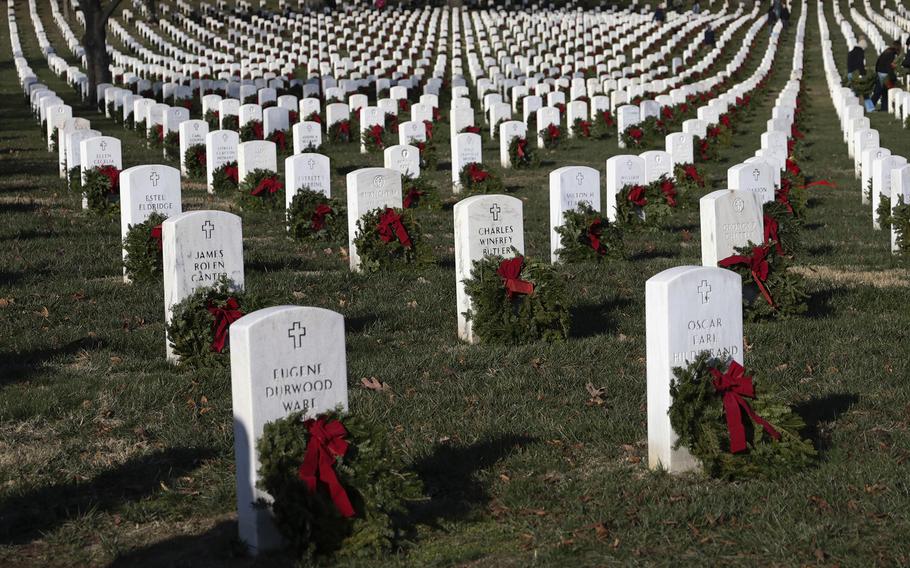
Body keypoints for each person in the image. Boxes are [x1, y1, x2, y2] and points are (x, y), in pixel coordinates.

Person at [871, 41, 901, 111]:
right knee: (878, 92)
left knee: (884, 92)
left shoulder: (887, 51)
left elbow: (878, 62)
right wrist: (893, 78)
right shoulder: (891, 54)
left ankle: (884, 108)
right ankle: (870, 107)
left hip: (880, 73)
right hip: (884, 75)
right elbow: (889, 67)